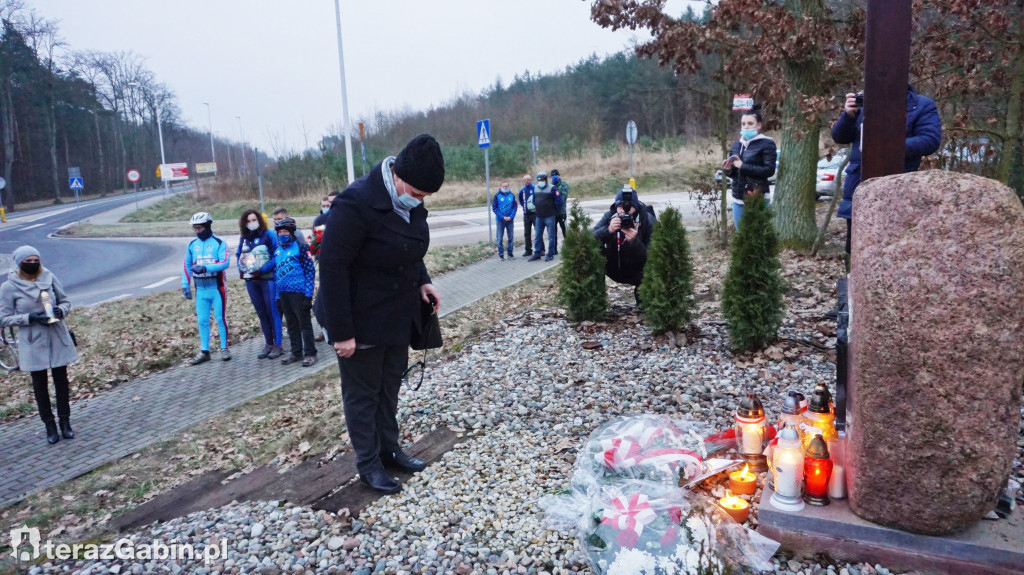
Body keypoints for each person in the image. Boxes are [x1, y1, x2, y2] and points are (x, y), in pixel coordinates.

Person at [320, 133, 444, 495]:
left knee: (389, 388)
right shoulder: (356, 202)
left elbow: (410, 249)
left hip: (396, 314)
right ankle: (369, 464)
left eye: (425, 197)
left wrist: (424, 281)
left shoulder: (408, 203)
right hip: (358, 317)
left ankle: (390, 450)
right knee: (363, 394)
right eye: (418, 193)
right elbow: (332, 268)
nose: (419, 201)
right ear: (399, 175)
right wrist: (341, 332)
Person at [831, 85, 942, 253]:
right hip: (859, 185)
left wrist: (888, 146)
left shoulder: (921, 105)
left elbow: (930, 140)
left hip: (900, 186)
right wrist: (848, 116)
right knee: (856, 252)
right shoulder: (865, 102)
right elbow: (840, 137)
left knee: (895, 251)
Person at [0, 246, 78, 444]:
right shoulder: (9, 287)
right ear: (19, 263)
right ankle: (49, 426)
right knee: (40, 385)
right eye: (29, 261)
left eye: (36, 260)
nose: (33, 264)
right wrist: (29, 317)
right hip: (33, 341)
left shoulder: (49, 277)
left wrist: (61, 310)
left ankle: (65, 422)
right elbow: (3, 318)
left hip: (56, 335)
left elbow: (66, 301)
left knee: (61, 381)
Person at [592, 186, 657, 306]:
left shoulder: (647, 220)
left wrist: (634, 242)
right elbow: (589, 239)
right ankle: (595, 302)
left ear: (636, 207)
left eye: (628, 207)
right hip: (613, 267)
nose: (624, 211)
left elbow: (654, 256)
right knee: (593, 252)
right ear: (616, 206)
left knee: (656, 265)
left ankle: (644, 301)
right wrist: (608, 229)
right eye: (620, 206)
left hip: (639, 270)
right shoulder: (610, 216)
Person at [182, 212, 231, 365]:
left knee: (220, 318)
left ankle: (224, 348)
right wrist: (185, 285)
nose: (198, 231)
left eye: (200, 228)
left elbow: (225, 262)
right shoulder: (192, 245)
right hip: (200, 290)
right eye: (195, 229)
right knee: (202, 321)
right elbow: (187, 265)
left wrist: (205, 268)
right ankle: (205, 351)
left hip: (216, 288)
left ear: (208, 226)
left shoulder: (219, 242)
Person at [236, 209, 283, 359]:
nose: (251, 223)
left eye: (253, 220)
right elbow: (239, 256)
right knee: (261, 313)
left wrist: (262, 270)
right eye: (248, 221)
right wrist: (241, 270)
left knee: (272, 312)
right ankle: (268, 343)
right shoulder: (244, 238)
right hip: (252, 282)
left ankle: (278, 345)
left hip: (267, 280)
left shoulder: (268, 235)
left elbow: (277, 256)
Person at [722, 105, 777, 230]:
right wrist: (728, 169)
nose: (746, 126)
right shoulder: (736, 145)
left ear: (758, 125)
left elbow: (769, 170)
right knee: (741, 236)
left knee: (759, 234)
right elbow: (735, 174)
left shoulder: (767, 144)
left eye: (750, 123)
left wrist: (744, 166)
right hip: (738, 197)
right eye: (743, 124)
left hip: (758, 196)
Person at [273, 217, 318, 367]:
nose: (282, 234)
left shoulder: (301, 247)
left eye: (285, 231)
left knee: (304, 324)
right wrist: (277, 295)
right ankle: (296, 352)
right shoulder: (278, 251)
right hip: (284, 293)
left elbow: (310, 271)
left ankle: (310, 353)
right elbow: (276, 274)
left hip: (299, 293)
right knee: (291, 325)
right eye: (280, 232)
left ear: (292, 232)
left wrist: (308, 295)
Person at [528, 171, 558, 262]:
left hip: (549, 216)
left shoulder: (552, 188)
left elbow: (558, 201)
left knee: (551, 236)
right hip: (539, 216)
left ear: (546, 180)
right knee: (537, 236)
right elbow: (533, 200)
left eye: (542, 180)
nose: (540, 181)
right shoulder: (536, 188)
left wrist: (553, 209)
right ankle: (537, 253)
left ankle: (550, 254)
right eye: (539, 180)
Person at [491, 180, 517, 259]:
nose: (505, 188)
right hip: (500, 220)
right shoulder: (497, 196)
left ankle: (510, 253)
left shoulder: (512, 196)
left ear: (508, 187)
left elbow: (514, 207)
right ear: (501, 187)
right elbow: (494, 208)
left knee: (511, 238)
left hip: (510, 220)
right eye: (503, 186)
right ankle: (501, 255)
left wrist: (511, 217)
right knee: (499, 238)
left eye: (506, 186)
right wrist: (502, 217)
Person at [517, 174, 536, 257]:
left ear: (531, 179)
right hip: (526, 214)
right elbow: (521, 201)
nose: (526, 181)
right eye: (525, 179)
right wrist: (526, 207)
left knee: (538, 231)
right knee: (527, 233)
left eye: (528, 179)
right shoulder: (522, 190)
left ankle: (541, 249)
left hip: (535, 214)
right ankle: (528, 250)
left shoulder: (535, 188)